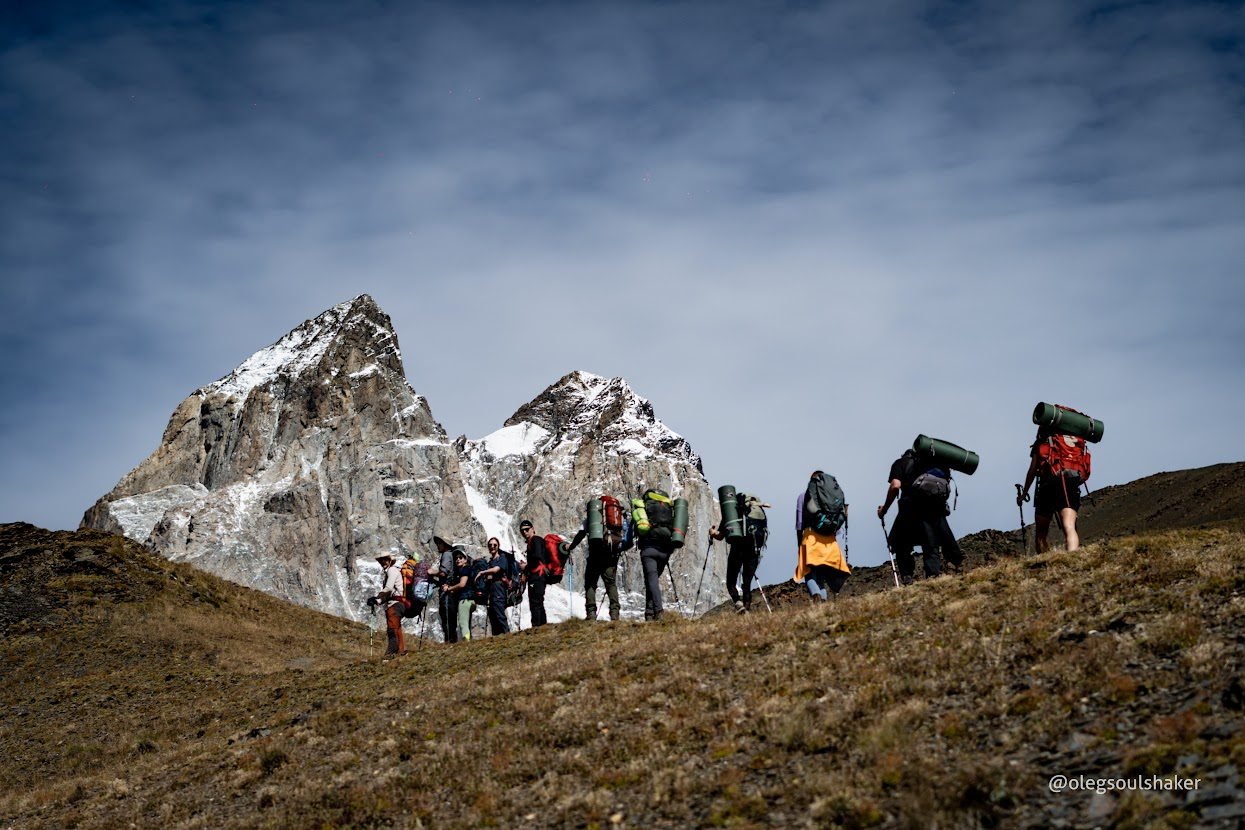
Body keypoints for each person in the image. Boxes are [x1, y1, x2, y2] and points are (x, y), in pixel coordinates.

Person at [878, 450, 963, 583]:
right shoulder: (933, 463)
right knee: (931, 543)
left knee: (900, 543)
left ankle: (907, 576)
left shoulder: (901, 463)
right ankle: (934, 576)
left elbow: (895, 485)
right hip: (935, 509)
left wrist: (884, 509)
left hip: (910, 509)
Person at [1018, 427, 1082, 553]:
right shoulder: (1072, 442)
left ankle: (1044, 562)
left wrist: (1024, 493)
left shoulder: (1041, 443)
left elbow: (1032, 470)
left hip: (1047, 485)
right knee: (1069, 525)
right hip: (1069, 482)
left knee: (1041, 532)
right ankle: (1073, 555)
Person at [567, 501, 631, 621]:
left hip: (595, 556)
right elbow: (625, 536)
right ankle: (615, 614)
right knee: (611, 585)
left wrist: (571, 546)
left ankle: (591, 613)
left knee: (590, 584)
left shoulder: (592, 520)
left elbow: (581, 534)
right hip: (610, 556)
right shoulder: (617, 518)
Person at [795, 471, 851, 601]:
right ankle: (824, 602)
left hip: (810, 538)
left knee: (809, 573)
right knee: (821, 576)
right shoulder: (831, 496)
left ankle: (816, 596)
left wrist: (799, 545)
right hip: (829, 540)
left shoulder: (803, 497)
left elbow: (799, 523)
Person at [708, 492, 767, 614]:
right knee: (747, 583)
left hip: (738, 549)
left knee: (731, 582)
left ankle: (739, 605)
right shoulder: (759, 512)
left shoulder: (732, 513)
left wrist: (712, 533)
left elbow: (720, 536)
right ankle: (747, 608)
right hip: (754, 549)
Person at [633, 488, 677, 621]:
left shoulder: (644, 508)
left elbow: (637, 529)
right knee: (651, 581)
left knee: (652, 580)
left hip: (649, 549)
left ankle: (658, 611)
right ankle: (649, 614)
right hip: (665, 551)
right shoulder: (668, 508)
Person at [368, 550, 406, 659]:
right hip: (397, 603)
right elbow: (389, 593)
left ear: (390, 561)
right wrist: (378, 601)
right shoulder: (391, 572)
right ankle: (401, 652)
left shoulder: (392, 571)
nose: (383, 562)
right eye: (381, 560)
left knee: (392, 629)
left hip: (395, 605)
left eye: (385, 560)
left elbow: (388, 588)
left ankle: (390, 654)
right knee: (396, 627)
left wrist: (377, 597)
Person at [474, 537, 515, 635]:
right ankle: (498, 639)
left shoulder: (502, 558)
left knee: (500, 614)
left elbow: (497, 569)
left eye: (494, 545)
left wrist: (482, 572)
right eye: (490, 545)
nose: (492, 547)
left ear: (498, 546)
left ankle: (507, 636)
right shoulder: (490, 562)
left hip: (499, 589)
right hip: (491, 590)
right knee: (493, 616)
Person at [519, 520, 550, 628]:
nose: (524, 532)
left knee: (535, 602)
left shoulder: (535, 540)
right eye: (522, 531)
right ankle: (542, 626)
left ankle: (537, 626)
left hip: (537, 575)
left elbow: (537, 557)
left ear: (532, 529)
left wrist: (525, 566)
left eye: (527, 529)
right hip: (538, 575)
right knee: (538, 601)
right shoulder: (535, 541)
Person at [431, 536, 460, 643]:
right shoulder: (450, 554)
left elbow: (443, 573)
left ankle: (450, 641)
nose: (438, 546)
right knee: (450, 618)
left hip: (447, 594)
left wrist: (432, 572)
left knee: (447, 618)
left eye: (439, 543)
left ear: (445, 545)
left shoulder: (447, 554)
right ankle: (452, 641)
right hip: (451, 591)